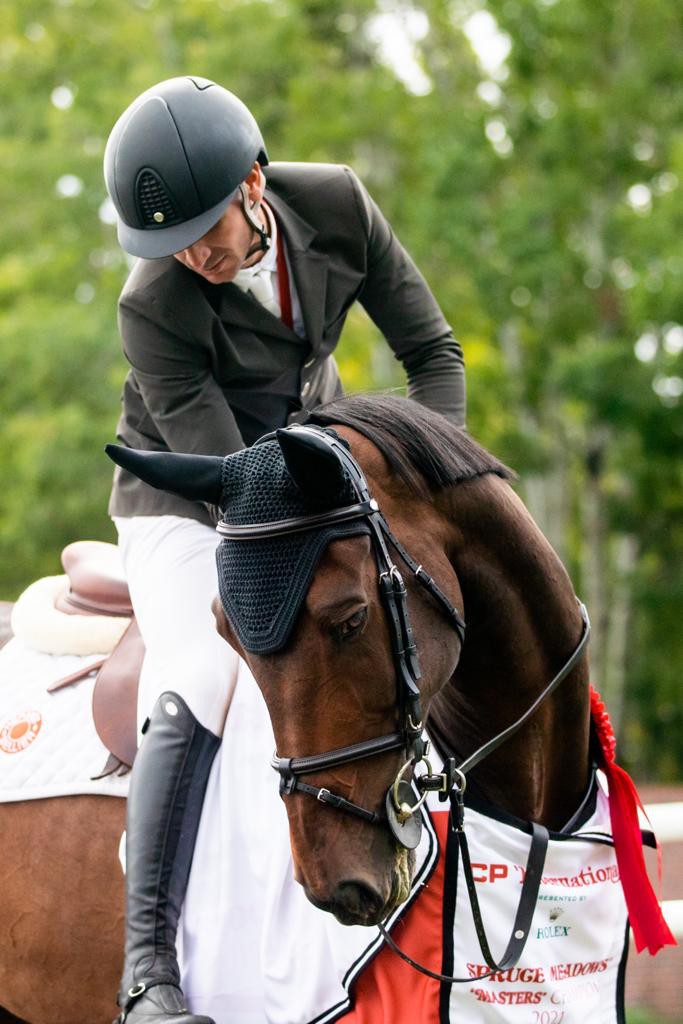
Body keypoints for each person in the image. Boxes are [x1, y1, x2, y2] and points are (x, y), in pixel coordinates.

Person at [103, 75, 466, 1023]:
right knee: (210, 669)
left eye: (206, 230)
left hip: (315, 467)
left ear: (254, 184)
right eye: (169, 242)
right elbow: (238, 483)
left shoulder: (338, 205)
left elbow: (432, 357)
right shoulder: (153, 305)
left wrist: (421, 495)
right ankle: (147, 968)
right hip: (192, 503)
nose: (194, 254)